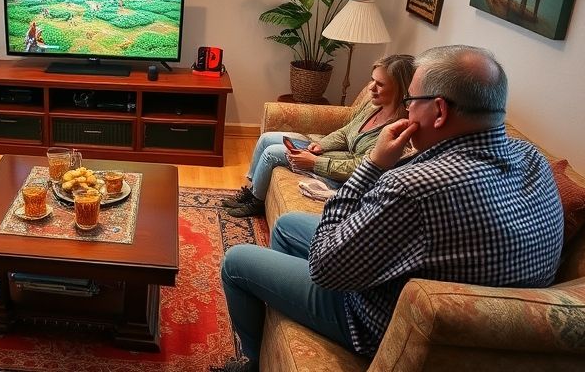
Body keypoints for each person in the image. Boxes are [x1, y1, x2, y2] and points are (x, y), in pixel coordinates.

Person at [219, 45, 563, 371]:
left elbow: (325, 267)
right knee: (288, 225)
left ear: (440, 110)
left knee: (236, 262)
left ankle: (254, 361)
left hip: (376, 320)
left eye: (411, 100)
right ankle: (288, 310)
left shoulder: (416, 187)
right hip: (465, 311)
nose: (407, 109)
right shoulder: (532, 158)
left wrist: (373, 165)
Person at [224, 54, 416, 217]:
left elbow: (363, 167)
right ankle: (252, 191)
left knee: (273, 153)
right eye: (372, 80)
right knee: (267, 138)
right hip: (331, 153)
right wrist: (322, 144)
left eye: (380, 84)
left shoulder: (395, 131)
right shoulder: (373, 106)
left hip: (338, 171)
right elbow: (346, 131)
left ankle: (256, 203)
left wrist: (314, 162)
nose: (371, 88)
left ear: (401, 89)